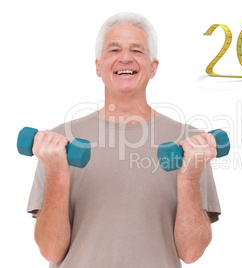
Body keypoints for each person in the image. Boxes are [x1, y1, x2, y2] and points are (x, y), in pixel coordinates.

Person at [27, 12, 221, 267]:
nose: (125, 57)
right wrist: (56, 173)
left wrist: (190, 176)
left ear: (153, 67)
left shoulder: (191, 144)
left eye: (137, 50)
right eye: (114, 49)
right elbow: (51, 252)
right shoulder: (57, 143)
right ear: (98, 66)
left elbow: (191, 252)